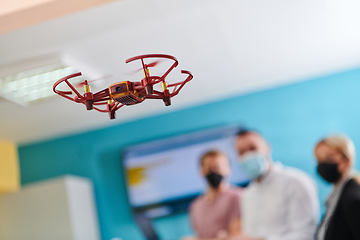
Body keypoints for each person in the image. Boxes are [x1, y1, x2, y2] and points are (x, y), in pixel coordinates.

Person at [233, 130, 319, 240]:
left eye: (253, 148)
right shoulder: (248, 194)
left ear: (267, 147)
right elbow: (250, 234)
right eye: (242, 152)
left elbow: (307, 234)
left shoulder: (296, 182)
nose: (248, 155)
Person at [184, 150, 243, 240]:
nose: (213, 172)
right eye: (209, 168)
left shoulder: (238, 197)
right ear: (201, 171)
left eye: (217, 168)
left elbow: (237, 236)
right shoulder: (196, 205)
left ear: (228, 169)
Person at [315, 135, 360, 240]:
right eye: (319, 160)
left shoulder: (353, 200)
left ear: (347, 160)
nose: (323, 164)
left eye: (329, 158)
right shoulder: (337, 197)